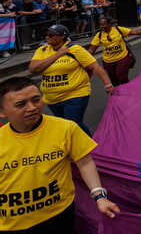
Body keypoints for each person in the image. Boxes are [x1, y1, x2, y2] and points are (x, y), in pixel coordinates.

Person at [0, 76, 119, 232]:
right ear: (2, 111)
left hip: (61, 214)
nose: (32, 107)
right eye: (21, 104)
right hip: (12, 224)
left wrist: (99, 196)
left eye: (36, 100)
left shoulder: (66, 128)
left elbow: (85, 162)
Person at [28, 24, 114, 136]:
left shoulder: (75, 49)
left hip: (75, 95)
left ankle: (90, 147)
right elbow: (33, 69)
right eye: (46, 35)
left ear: (61, 36)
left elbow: (95, 67)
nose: (47, 37)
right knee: (65, 125)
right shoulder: (42, 50)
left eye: (51, 35)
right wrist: (57, 55)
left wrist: (108, 85)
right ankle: (78, 146)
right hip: (51, 99)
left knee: (73, 125)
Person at [87, 17, 141, 86]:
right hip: (108, 61)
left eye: (103, 24)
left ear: (109, 24)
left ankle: (128, 91)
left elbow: (134, 32)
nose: (101, 26)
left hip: (122, 57)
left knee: (122, 78)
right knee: (114, 81)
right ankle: (118, 95)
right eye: (100, 25)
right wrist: (81, 59)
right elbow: (92, 49)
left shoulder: (118, 29)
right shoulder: (99, 35)